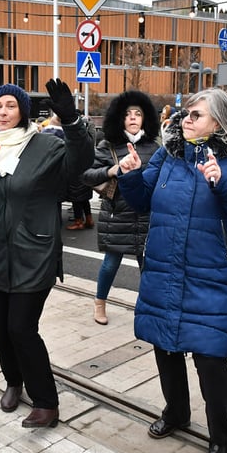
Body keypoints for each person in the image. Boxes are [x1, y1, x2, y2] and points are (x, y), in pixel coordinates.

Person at [117, 88, 227, 453]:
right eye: (186, 114)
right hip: (164, 270)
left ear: (218, 122)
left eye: (196, 115)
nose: (186, 120)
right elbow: (141, 201)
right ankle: (176, 412)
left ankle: (220, 436)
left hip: (210, 277)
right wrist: (132, 175)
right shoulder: (171, 156)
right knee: (166, 349)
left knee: (210, 360)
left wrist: (224, 183)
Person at [0, 79, 94, 428]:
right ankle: (13, 380)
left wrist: (71, 120)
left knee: (21, 328)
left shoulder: (45, 146)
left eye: (11, 106)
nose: (3, 112)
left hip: (34, 251)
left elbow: (80, 162)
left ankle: (46, 402)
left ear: (23, 111)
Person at [80, 90, 159, 325]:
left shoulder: (154, 147)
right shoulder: (108, 145)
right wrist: (113, 170)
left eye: (138, 114)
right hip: (118, 213)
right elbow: (87, 174)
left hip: (147, 214)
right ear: (120, 118)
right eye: (128, 114)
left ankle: (150, 308)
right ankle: (100, 303)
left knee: (148, 265)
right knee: (111, 263)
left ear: (145, 119)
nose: (133, 118)